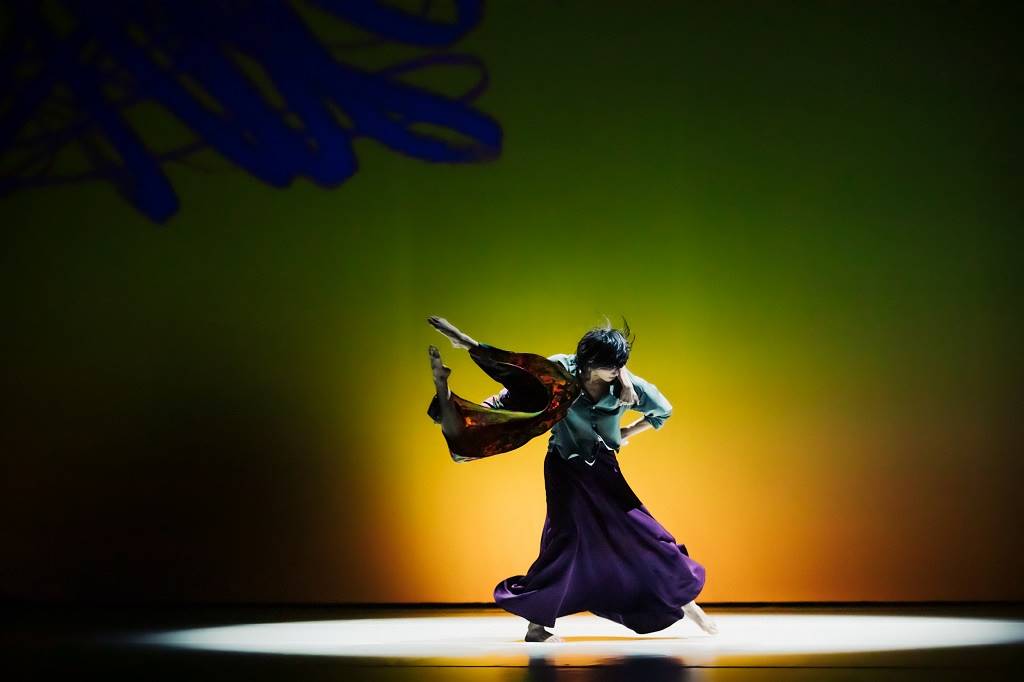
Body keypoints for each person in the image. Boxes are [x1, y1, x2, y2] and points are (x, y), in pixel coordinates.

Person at [427, 315, 719, 642]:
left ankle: (686, 602)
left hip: (604, 470)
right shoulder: (562, 373)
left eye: (620, 365)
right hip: (564, 467)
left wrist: (627, 430)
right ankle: (537, 626)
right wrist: (466, 342)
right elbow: (521, 374)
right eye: (612, 366)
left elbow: (662, 410)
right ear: (590, 363)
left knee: (646, 535)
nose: (618, 370)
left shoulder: (627, 385)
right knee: (564, 541)